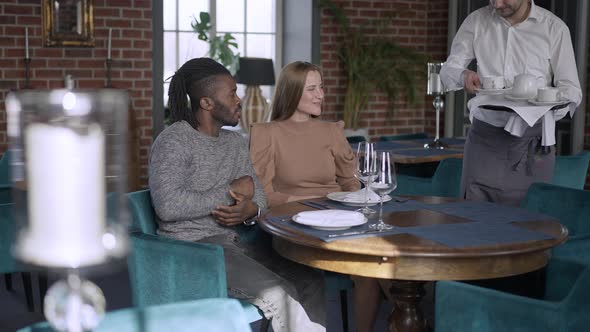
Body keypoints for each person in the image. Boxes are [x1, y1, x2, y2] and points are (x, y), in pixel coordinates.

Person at [149, 57, 326, 332]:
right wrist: (230, 192)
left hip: (241, 242)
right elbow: (168, 206)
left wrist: (251, 210)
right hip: (197, 249)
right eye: (231, 92)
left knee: (309, 279)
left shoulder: (234, 142)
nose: (239, 98)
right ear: (207, 102)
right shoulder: (173, 141)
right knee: (279, 292)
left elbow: (261, 197)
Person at [249, 61, 387, 332]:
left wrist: (356, 202)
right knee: (377, 265)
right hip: (291, 224)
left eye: (321, 87)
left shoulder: (330, 131)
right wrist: (318, 197)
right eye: (311, 89)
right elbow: (263, 194)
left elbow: (351, 183)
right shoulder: (267, 134)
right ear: (291, 93)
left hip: (339, 218)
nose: (321, 95)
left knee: (377, 267)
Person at [440, 0, 582, 206]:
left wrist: (542, 109)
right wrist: (463, 75)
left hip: (533, 146)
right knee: (473, 221)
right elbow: (448, 69)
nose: (497, 4)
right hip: (484, 142)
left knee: (529, 226)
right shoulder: (476, 21)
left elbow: (572, 91)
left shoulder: (554, 28)